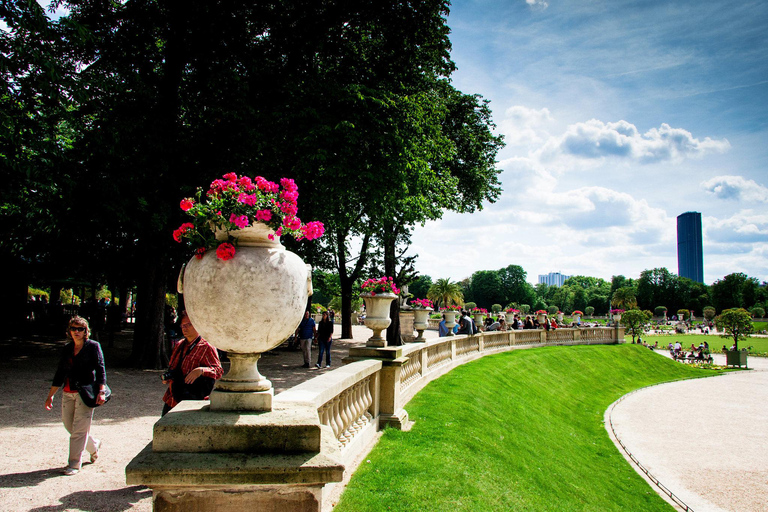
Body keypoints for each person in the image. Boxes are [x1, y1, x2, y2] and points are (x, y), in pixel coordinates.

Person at [45, 316, 107, 476]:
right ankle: (94, 445)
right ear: (69, 330)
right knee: (69, 425)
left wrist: (101, 391)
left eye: (80, 329)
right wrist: (51, 394)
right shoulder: (67, 348)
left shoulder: (93, 346)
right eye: (74, 328)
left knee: (79, 431)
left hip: (86, 393)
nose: (77, 332)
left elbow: (101, 369)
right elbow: (60, 371)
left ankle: (74, 464)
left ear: (86, 331)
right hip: (68, 391)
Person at [162, 312, 223, 416]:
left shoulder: (206, 346)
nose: (185, 328)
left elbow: (218, 371)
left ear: (196, 324)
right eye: (183, 325)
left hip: (192, 400)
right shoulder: (179, 345)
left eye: (189, 324)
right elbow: (173, 367)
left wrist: (201, 370)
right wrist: (168, 377)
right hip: (172, 398)